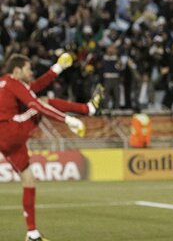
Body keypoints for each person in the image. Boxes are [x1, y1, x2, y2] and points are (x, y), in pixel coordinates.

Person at [0, 53, 104, 241]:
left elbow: (34, 87)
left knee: (29, 179)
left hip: (6, 139)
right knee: (44, 102)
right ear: (16, 71)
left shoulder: (6, 83)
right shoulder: (13, 82)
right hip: (11, 129)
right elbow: (34, 103)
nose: (31, 72)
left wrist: (57, 68)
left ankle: (32, 234)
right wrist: (68, 120)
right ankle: (88, 109)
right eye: (28, 69)